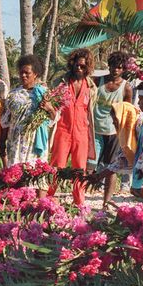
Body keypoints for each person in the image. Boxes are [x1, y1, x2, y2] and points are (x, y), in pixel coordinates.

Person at [50, 48, 97, 206]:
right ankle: (48, 198)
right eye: (77, 65)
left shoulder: (91, 87)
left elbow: (90, 111)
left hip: (81, 132)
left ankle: (79, 201)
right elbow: (52, 104)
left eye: (83, 66)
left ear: (87, 67)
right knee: (57, 166)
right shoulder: (61, 83)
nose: (79, 68)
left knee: (79, 168)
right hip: (63, 129)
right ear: (72, 64)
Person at [0, 55, 56, 173]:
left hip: (34, 141)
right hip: (16, 142)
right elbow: (5, 121)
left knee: (35, 174)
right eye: (21, 72)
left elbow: (53, 119)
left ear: (35, 74)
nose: (23, 75)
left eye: (27, 73)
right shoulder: (13, 94)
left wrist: (49, 108)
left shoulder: (44, 93)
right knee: (15, 175)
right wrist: (2, 143)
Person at [92, 51, 133, 206]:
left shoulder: (126, 87)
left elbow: (128, 111)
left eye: (120, 67)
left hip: (114, 132)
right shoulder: (98, 82)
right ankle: (81, 196)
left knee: (111, 167)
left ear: (123, 70)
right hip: (95, 128)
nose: (116, 70)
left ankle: (106, 202)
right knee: (90, 164)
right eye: (114, 66)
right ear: (109, 66)